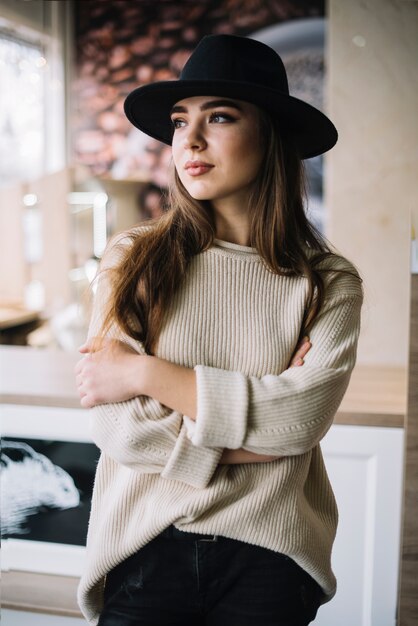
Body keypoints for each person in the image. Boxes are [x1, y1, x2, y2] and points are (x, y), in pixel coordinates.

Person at [75, 34, 363, 626]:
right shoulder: (130, 258)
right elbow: (121, 431)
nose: (191, 141)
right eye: (181, 122)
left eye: (221, 117)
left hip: (272, 555)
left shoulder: (327, 280)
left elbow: (301, 421)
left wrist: (144, 372)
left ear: (272, 135)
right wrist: (260, 431)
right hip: (142, 545)